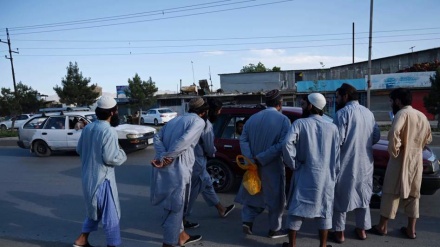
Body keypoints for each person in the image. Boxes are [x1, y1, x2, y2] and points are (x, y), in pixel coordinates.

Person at [369, 88, 432, 239]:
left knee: (391, 192)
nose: (390, 104)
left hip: (400, 159)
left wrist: (395, 151)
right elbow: (428, 138)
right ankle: (411, 230)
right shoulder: (421, 115)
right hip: (416, 159)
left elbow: (394, 133)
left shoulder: (401, 114)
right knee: (413, 194)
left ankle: (382, 226)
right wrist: (416, 146)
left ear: (397, 101)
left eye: (391, 101)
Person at [282, 93, 340, 247]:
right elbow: (336, 154)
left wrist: (293, 163)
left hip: (304, 173)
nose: (302, 106)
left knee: (297, 209)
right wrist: (335, 174)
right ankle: (323, 245)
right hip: (326, 177)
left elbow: (287, 144)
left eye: (303, 104)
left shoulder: (300, 124)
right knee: (324, 210)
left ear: (311, 106)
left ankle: (292, 245)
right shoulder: (333, 127)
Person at [150, 97, 208, 247]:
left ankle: (182, 236)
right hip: (178, 166)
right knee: (176, 205)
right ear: (203, 111)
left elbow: (157, 136)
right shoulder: (198, 122)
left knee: (173, 203)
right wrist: (168, 157)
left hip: (168, 165)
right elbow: (184, 140)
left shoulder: (175, 120)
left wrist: (163, 156)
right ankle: (169, 242)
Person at [235, 89, 291, 238]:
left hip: (253, 166)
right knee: (275, 199)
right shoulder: (283, 120)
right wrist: (262, 158)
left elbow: (243, 139)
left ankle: (247, 221)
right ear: (280, 103)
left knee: (253, 193)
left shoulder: (252, 119)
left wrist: (251, 159)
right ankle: (274, 229)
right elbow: (283, 144)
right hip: (271, 165)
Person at [73, 96, 127, 247]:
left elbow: (79, 149)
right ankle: (113, 244)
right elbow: (110, 158)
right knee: (112, 216)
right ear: (112, 113)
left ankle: (81, 240)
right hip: (103, 181)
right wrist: (122, 154)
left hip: (88, 179)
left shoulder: (88, 128)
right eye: (116, 111)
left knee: (94, 210)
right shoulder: (108, 131)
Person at [331, 83, 381, 242]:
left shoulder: (342, 114)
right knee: (363, 196)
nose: (337, 100)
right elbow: (376, 137)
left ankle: (340, 232)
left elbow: (337, 140)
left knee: (341, 196)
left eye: (338, 97)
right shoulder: (369, 113)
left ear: (345, 96)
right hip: (365, 163)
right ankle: (362, 230)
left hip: (346, 162)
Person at [183, 97, 235, 229]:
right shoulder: (205, 124)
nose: (219, 112)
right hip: (196, 161)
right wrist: (212, 153)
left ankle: (221, 208)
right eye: (218, 110)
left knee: (206, 184)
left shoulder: (185, 119)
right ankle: (181, 218)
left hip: (190, 160)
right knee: (191, 192)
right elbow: (209, 146)